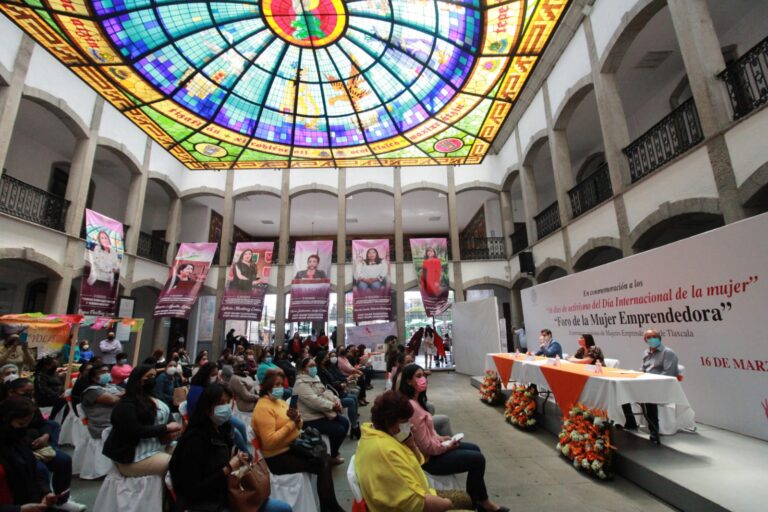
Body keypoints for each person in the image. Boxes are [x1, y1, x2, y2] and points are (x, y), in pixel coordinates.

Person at [400, 364, 508, 512]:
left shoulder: (418, 401)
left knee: (475, 449)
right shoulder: (412, 407)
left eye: (424, 375)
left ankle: (479, 500)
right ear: (408, 381)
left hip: (433, 451)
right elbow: (426, 447)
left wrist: (442, 438)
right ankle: (480, 503)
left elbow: (429, 433)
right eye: (418, 376)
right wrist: (446, 446)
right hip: (429, 460)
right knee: (477, 460)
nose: (423, 379)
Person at [169, 384, 292, 512]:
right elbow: (193, 489)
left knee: (283, 508)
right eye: (220, 403)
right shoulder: (195, 440)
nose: (226, 407)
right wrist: (228, 468)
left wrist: (239, 458)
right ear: (207, 408)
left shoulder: (223, 429)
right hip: (209, 503)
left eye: (228, 402)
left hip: (231, 492)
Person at [252, 370, 345, 512]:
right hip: (277, 457)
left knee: (324, 459)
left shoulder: (280, 402)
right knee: (322, 464)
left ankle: (329, 506)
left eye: (281, 384)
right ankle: (331, 507)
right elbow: (269, 441)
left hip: (293, 446)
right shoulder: (263, 408)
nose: (279, 388)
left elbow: (299, 424)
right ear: (267, 386)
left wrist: (297, 419)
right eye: (276, 385)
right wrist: (291, 424)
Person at [355, 391, 454, 512]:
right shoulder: (385, 451)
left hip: (421, 491)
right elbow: (417, 503)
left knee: (465, 499)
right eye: (404, 422)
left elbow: (418, 463)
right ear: (389, 422)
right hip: (420, 500)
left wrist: (411, 445)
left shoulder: (376, 433)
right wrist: (447, 504)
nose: (412, 426)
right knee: (465, 500)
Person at [2, 379, 86, 511]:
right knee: (40, 469)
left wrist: (45, 436)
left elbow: (44, 424)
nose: (29, 395)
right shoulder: (10, 438)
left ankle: (61, 499)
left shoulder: (29, 410)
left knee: (63, 460)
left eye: (31, 392)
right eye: (21, 424)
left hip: (37, 446)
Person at [103, 365, 182, 476]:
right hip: (134, 456)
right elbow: (135, 430)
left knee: (189, 454)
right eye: (149, 376)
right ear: (138, 378)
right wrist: (166, 428)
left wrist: (171, 432)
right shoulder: (126, 404)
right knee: (178, 464)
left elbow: (168, 419)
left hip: (158, 446)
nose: (152, 379)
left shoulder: (156, 398)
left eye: (154, 376)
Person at [0, 396, 62, 512]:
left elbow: (32, 473)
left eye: (27, 424)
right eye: (21, 424)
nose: (24, 429)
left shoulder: (17, 441)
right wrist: (19, 509)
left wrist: (45, 493)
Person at [621, 330, 679, 444]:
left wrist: (650, 381)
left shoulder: (668, 353)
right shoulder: (646, 352)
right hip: (645, 383)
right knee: (622, 391)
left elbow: (668, 374)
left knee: (649, 400)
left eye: (655, 336)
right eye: (649, 337)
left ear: (660, 338)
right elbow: (643, 369)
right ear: (645, 340)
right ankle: (630, 422)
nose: (652, 339)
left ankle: (654, 433)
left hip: (659, 385)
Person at [187, 362, 252, 456]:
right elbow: (201, 410)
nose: (215, 377)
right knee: (236, 431)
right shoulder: (197, 390)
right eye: (213, 375)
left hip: (216, 413)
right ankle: (247, 454)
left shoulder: (211, 385)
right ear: (206, 374)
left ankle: (244, 451)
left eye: (216, 374)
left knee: (241, 425)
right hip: (209, 417)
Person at [293, 357, 349, 465]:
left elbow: (326, 392)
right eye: (311, 366)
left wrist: (336, 400)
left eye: (315, 365)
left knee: (345, 423)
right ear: (304, 369)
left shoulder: (315, 378)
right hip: (310, 418)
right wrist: (332, 406)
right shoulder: (301, 384)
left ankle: (333, 452)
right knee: (339, 430)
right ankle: (331, 457)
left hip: (322, 413)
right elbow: (314, 401)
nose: (314, 368)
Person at [80, 364, 123, 439]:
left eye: (107, 371)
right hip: (103, 427)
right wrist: (126, 394)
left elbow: (127, 393)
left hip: (118, 422)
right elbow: (113, 400)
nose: (106, 374)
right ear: (93, 377)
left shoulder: (111, 386)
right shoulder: (91, 390)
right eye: (102, 372)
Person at [33, 356, 66, 420]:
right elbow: (43, 389)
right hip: (46, 402)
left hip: (57, 400)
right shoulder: (40, 376)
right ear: (47, 366)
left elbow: (60, 385)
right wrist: (57, 396)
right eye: (53, 365)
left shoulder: (55, 374)